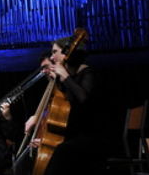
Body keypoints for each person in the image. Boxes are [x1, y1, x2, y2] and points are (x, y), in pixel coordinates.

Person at [24, 35, 102, 175]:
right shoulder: (63, 79)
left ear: (67, 53)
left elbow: (84, 100)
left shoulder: (87, 73)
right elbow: (59, 113)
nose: (52, 57)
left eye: (55, 52)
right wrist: (43, 136)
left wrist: (65, 77)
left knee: (60, 153)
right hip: (71, 136)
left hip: (90, 136)